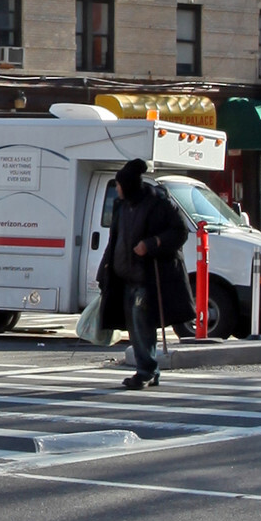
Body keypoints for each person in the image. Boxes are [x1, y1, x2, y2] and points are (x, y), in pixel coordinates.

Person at [95, 158, 193, 390]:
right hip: (124, 278)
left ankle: (146, 370)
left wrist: (152, 244)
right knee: (135, 326)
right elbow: (114, 241)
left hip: (147, 277)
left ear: (128, 185)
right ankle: (148, 369)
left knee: (141, 325)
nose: (116, 189)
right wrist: (104, 271)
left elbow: (180, 232)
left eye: (119, 185)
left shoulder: (157, 203)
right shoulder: (122, 206)